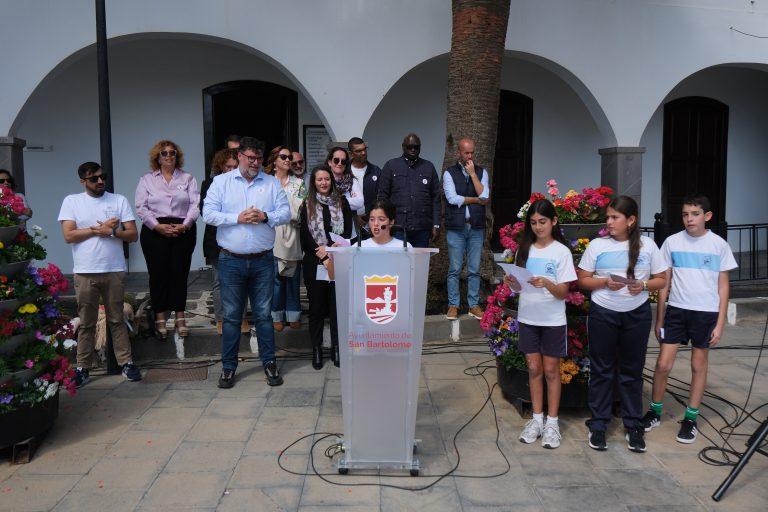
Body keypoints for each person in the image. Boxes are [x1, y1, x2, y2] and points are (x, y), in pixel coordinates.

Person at [642, 195, 737, 444]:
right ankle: (655, 411)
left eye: (694, 214)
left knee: (698, 365)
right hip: (676, 310)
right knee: (663, 364)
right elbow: (664, 282)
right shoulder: (672, 242)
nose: (689, 219)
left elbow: (724, 286)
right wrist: (659, 317)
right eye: (685, 214)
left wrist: (720, 322)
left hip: (705, 313)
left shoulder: (718, 245)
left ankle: (691, 418)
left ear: (707, 216)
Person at [577, 195, 667, 453]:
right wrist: (604, 282)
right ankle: (599, 425)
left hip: (636, 314)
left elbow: (661, 279)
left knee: (631, 371)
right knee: (601, 369)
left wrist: (645, 285)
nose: (609, 221)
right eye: (608, 217)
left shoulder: (648, 246)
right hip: (603, 313)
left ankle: (633, 425)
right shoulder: (597, 245)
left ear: (631, 220)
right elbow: (583, 280)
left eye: (615, 217)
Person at [202, 138, 290, 388]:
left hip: (263, 260)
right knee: (231, 317)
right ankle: (228, 367)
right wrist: (237, 218)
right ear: (239, 156)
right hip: (230, 260)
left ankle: (269, 363)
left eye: (259, 158)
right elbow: (207, 214)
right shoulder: (221, 182)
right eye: (250, 157)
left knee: (264, 315)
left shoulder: (271, 183)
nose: (255, 162)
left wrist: (265, 216)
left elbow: (285, 213)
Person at [58, 162, 141, 385]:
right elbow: (69, 236)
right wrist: (96, 230)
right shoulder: (72, 201)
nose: (100, 181)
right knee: (87, 322)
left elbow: (132, 234)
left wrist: (112, 231)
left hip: (114, 269)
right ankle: (83, 367)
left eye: (102, 176)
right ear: (83, 181)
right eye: (94, 178)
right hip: (85, 271)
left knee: (117, 319)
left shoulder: (118, 200)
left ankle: (127, 363)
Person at [504, 199, 576, 449]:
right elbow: (517, 288)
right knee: (533, 369)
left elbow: (564, 292)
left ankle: (552, 422)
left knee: (551, 370)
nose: (538, 227)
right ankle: (536, 419)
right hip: (528, 317)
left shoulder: (561, 252)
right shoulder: (524, 249)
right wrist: (511, 282)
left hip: (552, 320)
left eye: (542, 222)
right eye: (533, 222)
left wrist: (547, 283)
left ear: (554, 221)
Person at [135, 140, 199, 339]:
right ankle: (160, 317)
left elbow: (195, 205)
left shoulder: (188, 178)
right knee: (158, 275)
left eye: (172, 153)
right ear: (158, 157)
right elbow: (141, 207)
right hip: (155, 231)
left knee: (180, 274)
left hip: (183, 229)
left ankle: (180, 318)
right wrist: (157, 226)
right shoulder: (146, 179)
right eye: (164, 153)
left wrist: (185, 225)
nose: (169, 156)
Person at [299, 164, 355, 370]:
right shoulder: (306, 204)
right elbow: (304, 235)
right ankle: (316, 349)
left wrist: (332, 250)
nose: (323, 183)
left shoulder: (342, 202)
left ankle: (337, 349)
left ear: (332, 180)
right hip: (315, 262)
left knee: (336, 306)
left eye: (327, 179)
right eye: (319, 180)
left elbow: (348, 231)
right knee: (316, 308)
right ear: (313, 183)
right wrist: (321, 252)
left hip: (338, 260)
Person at [200, 148, 250, 335]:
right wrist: (233, 216)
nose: (231, 170)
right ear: (220, 166)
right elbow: (206, 212)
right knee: (219, 281)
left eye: (234, 166)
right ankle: (221, 318)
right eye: (228, 166)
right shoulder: (210, 184)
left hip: (240, 237)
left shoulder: (244, 184)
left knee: (242, 280)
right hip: (215, 239)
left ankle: (242, 317)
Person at [443, 138, 489, 320]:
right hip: (456, 228)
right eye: (466, 153)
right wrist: (477, 200)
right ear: (459, 153)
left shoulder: (481, 172)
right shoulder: (449, 173)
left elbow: (485, 195)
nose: (469, 156)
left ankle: (473, 305)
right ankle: (453, 305)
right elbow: (452, 199)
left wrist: (473, 175)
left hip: (476, 227)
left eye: (472, 152)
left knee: (474, 269)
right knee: (454, 269)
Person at [265, 145, 306, 331]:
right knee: (275, 278)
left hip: (292, 233)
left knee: (293, 277)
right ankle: (276, 315)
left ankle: (294, 313)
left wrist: (280, 211)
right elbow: (264, 209)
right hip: (271, 233)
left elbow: (300, 210)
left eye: (290, 157)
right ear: (275, 160)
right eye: (284, 157)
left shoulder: (299, 184)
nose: (288, 160)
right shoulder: (265, 183)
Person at [377, 133, 441, 248]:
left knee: (419, 264)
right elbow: (382, 197)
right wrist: (384, 222)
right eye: (409, 147)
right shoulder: (391, 166)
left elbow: (436, 199)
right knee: (399, 263)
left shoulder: (428, 167)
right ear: (403, 147)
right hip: (398, 227)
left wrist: (436, 225)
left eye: (416, 147)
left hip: (422, 228)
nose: (413, 149)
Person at [347, 137, 381, 219]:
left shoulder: (376, 171)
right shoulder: (345, 171)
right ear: (350, 153)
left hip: (371, 220)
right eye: (358, 151)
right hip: (349, 219)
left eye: (364, 149)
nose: (363, 153)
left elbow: (381, 196)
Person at [326, 146, 364, 216]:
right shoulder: (324, 180)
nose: (340, 163)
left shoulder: (352, 181)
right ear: (329, 162)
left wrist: (334, 201)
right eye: (336, 160)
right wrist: (350, 200)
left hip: (347, 223)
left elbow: (360, 202)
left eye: (343, 161)